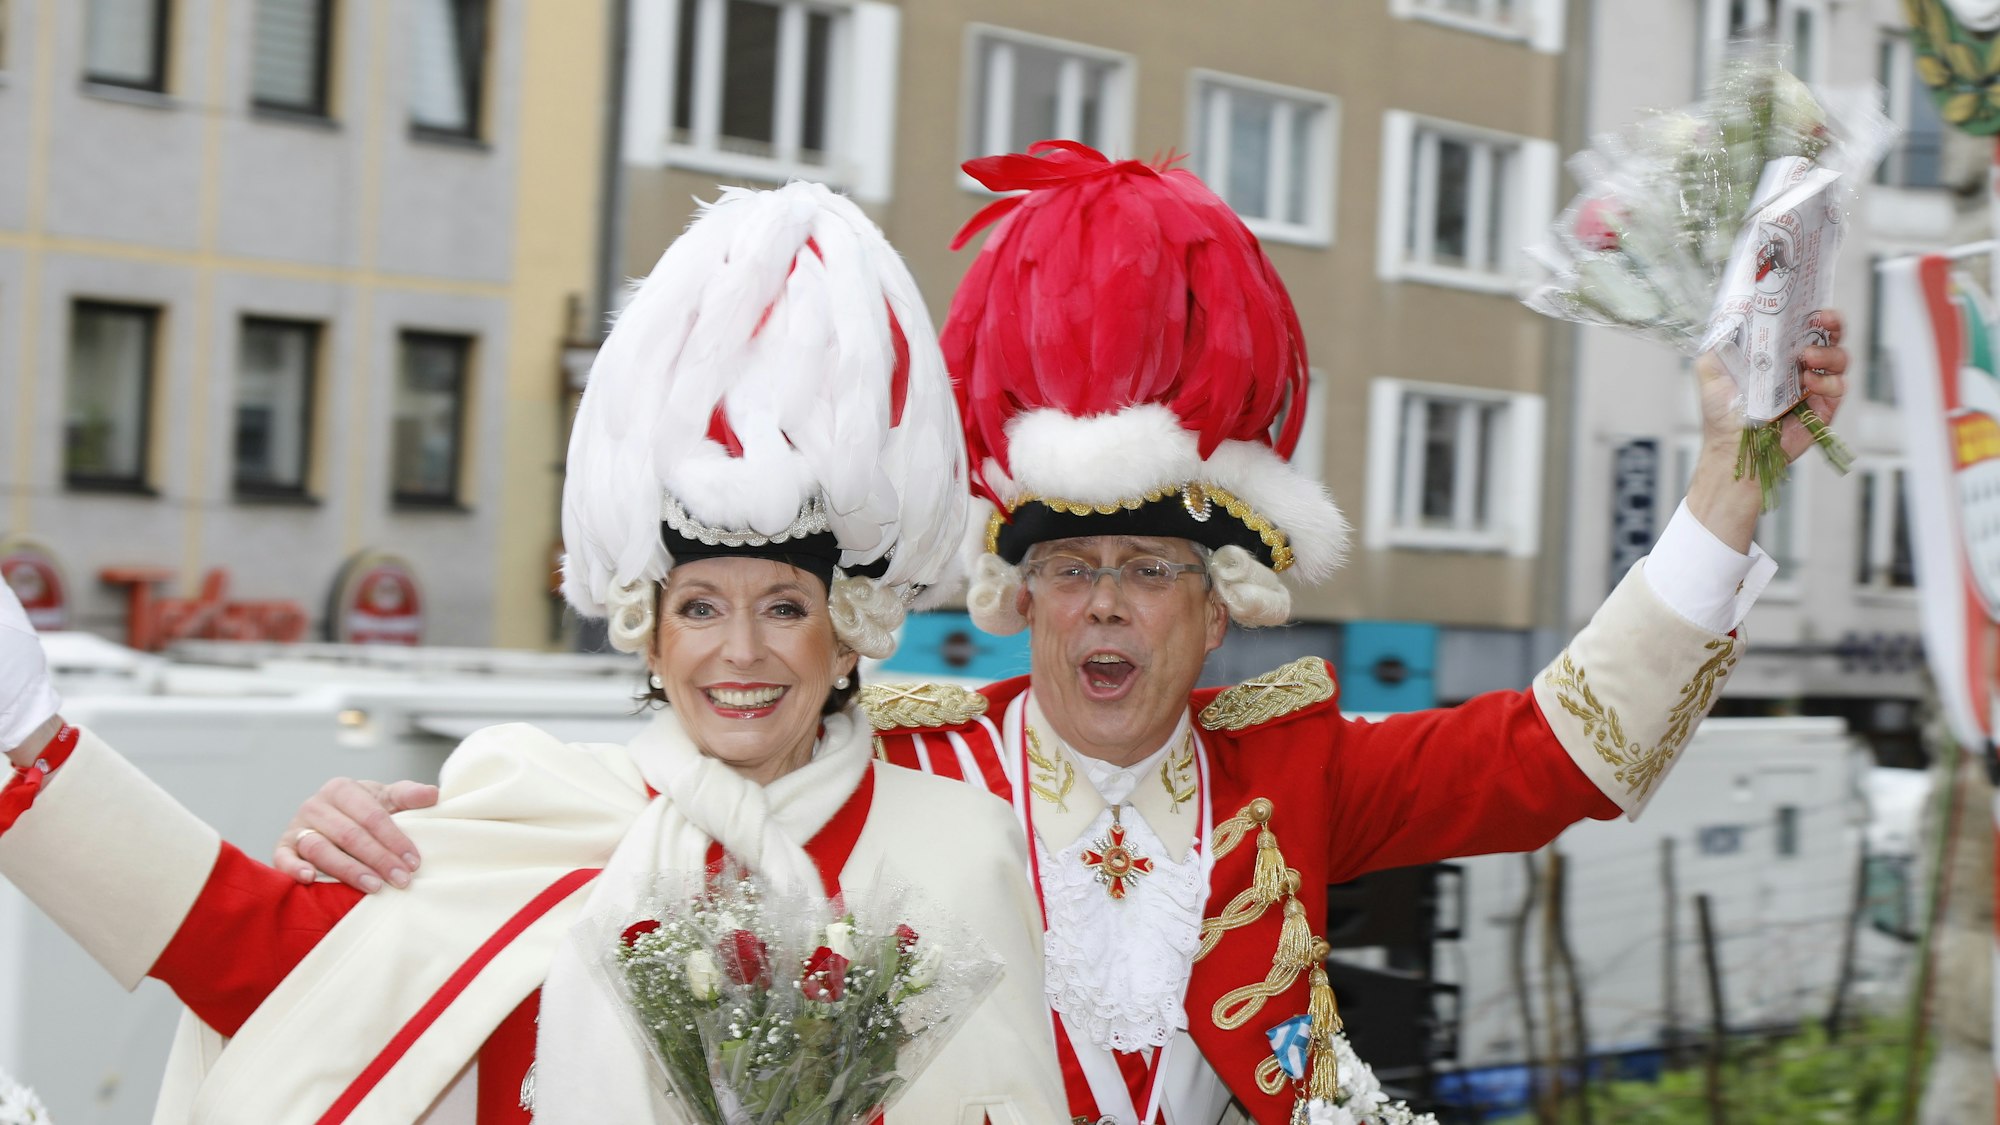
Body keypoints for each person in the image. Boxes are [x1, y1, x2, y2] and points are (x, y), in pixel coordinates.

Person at [289, 143, 1850, 1125]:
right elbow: (656, 782)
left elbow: (1567, 745)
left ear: (1218, 602)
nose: (1105, 601)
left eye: (1151, 569)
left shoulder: (1295, 767)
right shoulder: (899, 748)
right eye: (1074, 565)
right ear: (1017, 592)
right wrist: (427, 820)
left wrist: (1731, 473)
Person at [0, 182, 1066, 1123]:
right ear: (651, 633)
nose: (739, 652)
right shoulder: (527, 809)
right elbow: (253, 954)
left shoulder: (958, 848)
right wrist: (29, 732)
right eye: (698, 607)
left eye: (783, 606)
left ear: (848, 634)